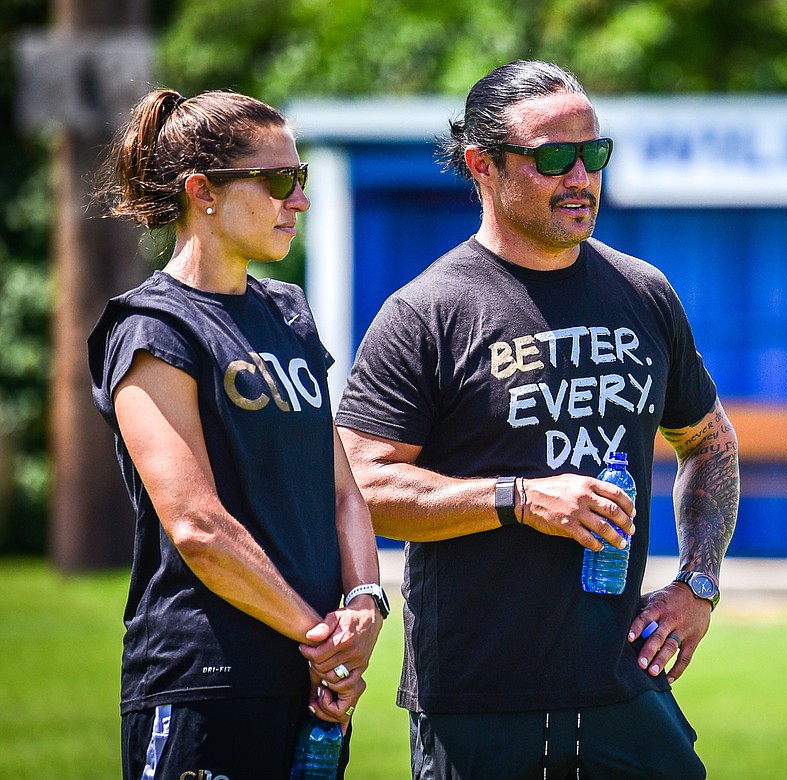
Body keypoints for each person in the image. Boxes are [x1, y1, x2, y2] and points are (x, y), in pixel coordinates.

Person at [337, 60, 740, 779]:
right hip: (479, 702)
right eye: (554, 157)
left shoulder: (643, 293)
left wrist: (697, 583)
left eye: (594, 153)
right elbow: (358, 487)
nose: (580, 176)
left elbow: (708, 441)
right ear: (482, 166)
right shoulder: (427, 311)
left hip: (624, 688)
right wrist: (518, 499)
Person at [88, 88, 387, 779]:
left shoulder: (289, 311)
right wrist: (323, 638)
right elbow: (197, 527)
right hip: (205, 681)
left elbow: (341, 490)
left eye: (301, 178)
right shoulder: (152, 329)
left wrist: (365, 603)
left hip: (313, 683)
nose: (299, 201)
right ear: (204, 192)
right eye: (279, 180)